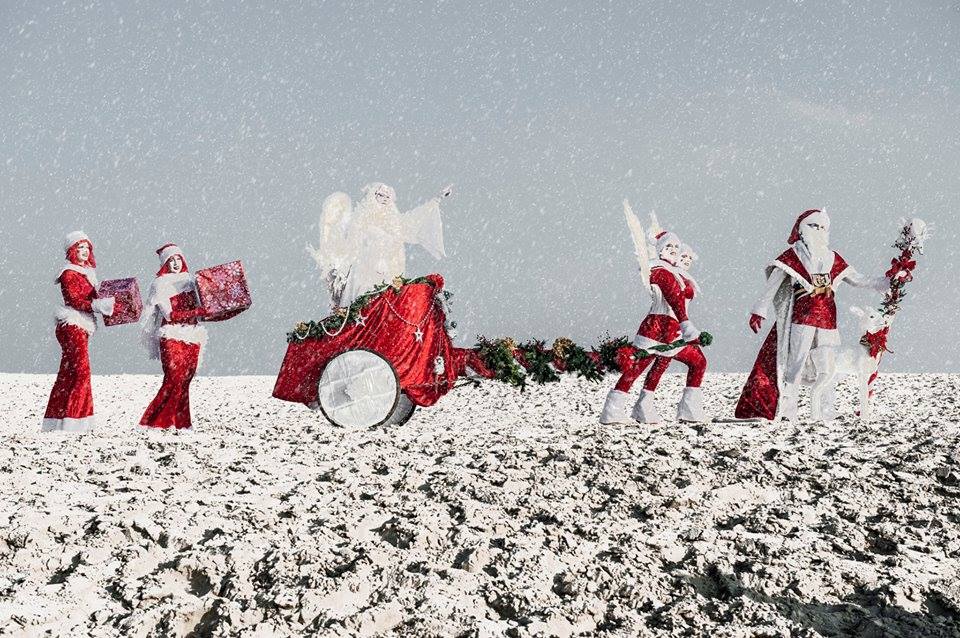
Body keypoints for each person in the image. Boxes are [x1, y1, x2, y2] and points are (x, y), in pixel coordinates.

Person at [735, 209, 888, 421]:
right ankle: (788, 413)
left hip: (828, 320)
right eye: (813, 226)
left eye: (822, 227)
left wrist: (889, 282)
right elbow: (772, 286)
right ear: (801, 229)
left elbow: (859, 279)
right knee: (795, 365)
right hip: (802, 318)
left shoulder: (833, 258)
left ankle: (826, 412)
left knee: (829, 369)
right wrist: (759, 310)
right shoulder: (791, 257)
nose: (818, 230)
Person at [599, 229, 707, 425]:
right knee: (638, 368)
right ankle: (615, 410)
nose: (674, 250)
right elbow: (674, 299)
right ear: (659, 250)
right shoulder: (660, 271)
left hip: (671, 330)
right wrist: (687, 325)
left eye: (676, 246)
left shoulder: (674, 273)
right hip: (658, 328)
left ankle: (645, 407)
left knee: (678, 363)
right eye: (669, 246)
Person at [307, 182, 448, 309]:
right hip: (365, 272)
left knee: (386, 308)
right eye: (381, 195)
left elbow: (413, 221)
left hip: (389, 272)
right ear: (373, 196)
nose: (385, 199)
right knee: (364, 305)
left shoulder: (395, 222)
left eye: (388, 196)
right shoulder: (362, 219)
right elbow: (353, 245)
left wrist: (436, 200)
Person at [42, 231, 115, 432]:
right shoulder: (69, 273)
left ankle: (58, 421)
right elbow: (74, 300)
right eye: (79, 247)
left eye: (87, 247)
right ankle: (75, 422)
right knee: (81, 373)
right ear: (72, 250)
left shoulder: (87, 272)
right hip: (73, 324)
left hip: (80, 326)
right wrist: (98, 306)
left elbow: (93, 296)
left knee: (68, 373)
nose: (84, 251)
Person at [139, 243, 208, 430]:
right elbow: (170, 315)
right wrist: (197, 311)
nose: (176, 263)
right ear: (165, 263)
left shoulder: (191, 281)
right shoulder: (160, 284)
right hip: (171, 335)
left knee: (185, 380)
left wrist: (210, 310)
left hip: (192, 336)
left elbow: (202, 309)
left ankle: (181, 423)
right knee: (174, 378)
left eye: (178, 259)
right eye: (171, 260)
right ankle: (156, 422)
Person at [640, 243, 702, 420]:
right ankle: (687, 410)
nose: (687, 260)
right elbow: (673, 303)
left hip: (673, 329)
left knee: (661, 365)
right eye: (683, 257)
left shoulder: (682, 277)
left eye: (690, 258)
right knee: (645, 366)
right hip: (664, 329)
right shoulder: (668, 275)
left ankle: (644, 405)